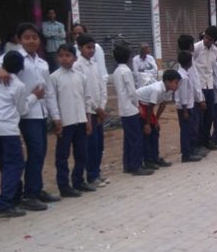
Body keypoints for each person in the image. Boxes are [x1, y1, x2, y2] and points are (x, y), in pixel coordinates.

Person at [0, 22, 59, 209]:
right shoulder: (14, 58)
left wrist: (55, 115)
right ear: (19, 39)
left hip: (40, 112)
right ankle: (29, 195)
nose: (31, 41)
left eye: (34, 37)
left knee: (40, 152)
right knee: (33, 151)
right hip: (24, 113)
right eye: (27, 37)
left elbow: (48, 90)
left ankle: (36, 187)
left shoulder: (42, 62)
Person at [0, 50, 46, 217]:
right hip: (7, 129)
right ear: (20, 69)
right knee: (15, 164)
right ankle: (4, 202)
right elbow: (22, 109)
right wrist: (34, 96)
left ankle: (14, 198)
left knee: (6, 165)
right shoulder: (18, 85)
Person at [47, 43, 97, 197]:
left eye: (68, 55)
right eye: (61, 56)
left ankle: (78, 181)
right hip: (65, 122)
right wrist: (56, 119)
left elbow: (86, 99)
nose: (65, 59)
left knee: (81, 153)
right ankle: (64, 185)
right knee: (62, 155)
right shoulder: (54, 78)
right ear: (57, 58)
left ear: (75, 58)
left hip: (80, 120)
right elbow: (52, 100)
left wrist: (88, 119)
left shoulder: (81, 77)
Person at [112, 44, 152, 176]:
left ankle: (128, 164)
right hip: (130, 108)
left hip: (123, 108)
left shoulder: (116, 72)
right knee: (136, 138)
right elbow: (132, 92)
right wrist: (137, 104)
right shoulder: (126, 71)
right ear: (129, 57)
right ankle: (136, 165)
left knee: (128, 139)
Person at [76, 34, 108, 188]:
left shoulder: (94, 64)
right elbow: (84, 92)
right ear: (80, 48)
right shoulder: (78, 66)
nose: (91, 51)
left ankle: (97, 171)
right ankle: (91, 175)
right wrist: (96, 108)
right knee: (91, 144)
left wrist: (102, 105)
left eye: (92, 48)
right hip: (89, 111)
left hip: (99, 110)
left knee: (99, 144)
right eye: (88, 48)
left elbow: (102, 86)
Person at [193, 27, 217, 149]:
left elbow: (213, 69)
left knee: (210, 115)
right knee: (199, 117)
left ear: (214, 40)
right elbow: (190, 67)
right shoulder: (196, 47)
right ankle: (199, 143)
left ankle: (206, 141)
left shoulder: (215, 50)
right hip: (198, 86)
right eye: (205, 37)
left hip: (209, 85)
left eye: (210, 39)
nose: (206, 40)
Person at [175, 50, 201, 162]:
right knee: (186, 130)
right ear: (189, 62)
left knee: (188, 129)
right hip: (185, 107)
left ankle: (189, 150)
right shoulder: (183, 77)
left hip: (186, 106)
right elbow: (183, 94)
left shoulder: (183, 73)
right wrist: (185, 110)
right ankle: (186, 154)